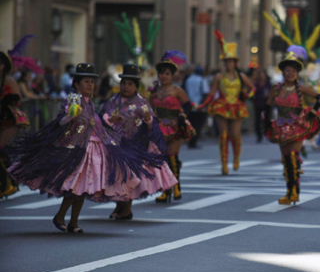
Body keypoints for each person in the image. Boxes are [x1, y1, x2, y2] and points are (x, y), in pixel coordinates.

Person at [8, 63, 164, 233]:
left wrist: (112, 120)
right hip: (76, 148)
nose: (90, 85)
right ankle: (60, 216)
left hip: (90, 147)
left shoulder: (90, 102)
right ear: (77, 84)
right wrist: (70, 116)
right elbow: (63, 120)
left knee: (82, 187)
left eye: (92, 81)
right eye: (86, 81)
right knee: (77, 187)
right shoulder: (75, 99)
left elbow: (98, 121)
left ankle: (73, 222)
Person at [101, 64, 177, 220]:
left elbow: (151, 126)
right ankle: (119, 206)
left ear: (136, 87)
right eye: (124, 83)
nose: (126, 86)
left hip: (135, 145)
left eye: (130, 84)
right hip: (114, 144)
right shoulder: (112, 101)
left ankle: (126, 208)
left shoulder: (142, 103)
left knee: (128, 177)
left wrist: (148, 121)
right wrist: (109, 120)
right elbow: (102, 117)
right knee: (116, 176)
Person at [264, 48, 320, 205]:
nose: (289, 73)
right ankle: (289, 191)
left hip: (297, 126)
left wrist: (313, 113)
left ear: (297, 72)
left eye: (292, 70)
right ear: (282, 72)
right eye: (287, 70)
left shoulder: (301, 88)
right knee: (285, 160)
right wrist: (266, 122)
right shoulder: (276, 89)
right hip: (281, 127)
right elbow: (267, 106)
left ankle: (295, 191)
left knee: (293, 158)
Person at [198, 33, 255, 175]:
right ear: (224, 62)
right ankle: (224, 163)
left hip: (236, 106)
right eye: (227, 61)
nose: (229, 63)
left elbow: (252, 88)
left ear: (235, 62)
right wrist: (203, 104)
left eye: (231, 61)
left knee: (235, 135)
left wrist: (248, 94)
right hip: (222, 106)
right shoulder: (219, 76)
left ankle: (236, 158)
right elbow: (212, 93)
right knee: (223, 135)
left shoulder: (241, 76)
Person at [150, 51, 196, 202]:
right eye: (161, 73)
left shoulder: (177, 90)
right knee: (161, 158)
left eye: (167, 74)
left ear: (172, 75)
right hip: (158, 128)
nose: (164, 76)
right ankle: (164, 189)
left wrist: (181, 115)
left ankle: (176, 186)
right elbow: (149, 108)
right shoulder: (154, 91)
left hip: (175, 126)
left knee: (172, 156)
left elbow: (188, 105)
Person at [0, 51, 29, 198]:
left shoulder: (9, 80)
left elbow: (17, 100)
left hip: (8, 119)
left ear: (4, 66)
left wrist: (7, 100)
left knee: (1, 149)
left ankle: (7, 185)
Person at [184, 65, 210, 148]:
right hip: (199, 105)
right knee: (198, 125)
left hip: (190, 104)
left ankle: (190, 141)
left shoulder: (189, 79)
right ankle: (193, 142)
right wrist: (204, 104)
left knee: (190, 124)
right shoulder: (202, 80)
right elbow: (205, 92)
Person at [251, 67, 271, 143]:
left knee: (266, 120)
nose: (262, 76)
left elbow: (272, 92)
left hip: (266, 104)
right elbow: (252, 92)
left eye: (263, 75)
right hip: (258, 103)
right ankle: (259, 135)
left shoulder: (268, 84)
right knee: (257, 120)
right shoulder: (256, 83)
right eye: (260, 75)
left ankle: (267, 133)